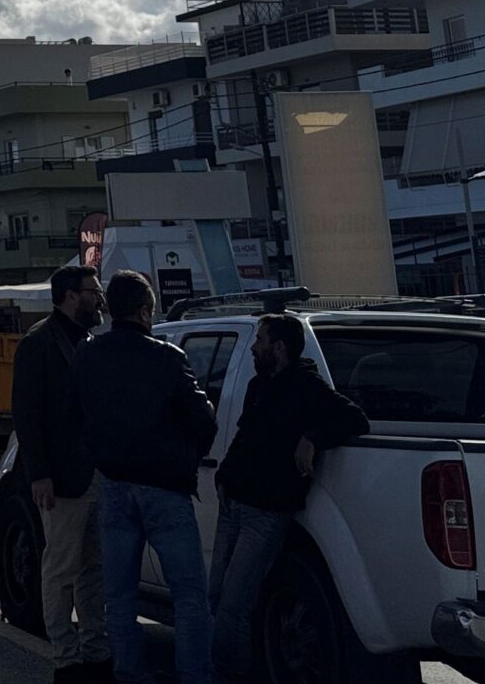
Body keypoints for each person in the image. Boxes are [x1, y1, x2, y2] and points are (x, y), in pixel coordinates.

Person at [209, 315, 370, 684]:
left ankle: (228, 674)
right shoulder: (257, 387)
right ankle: (235, 668)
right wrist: (224, 474)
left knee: (237, 601)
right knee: (217, 594)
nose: (254, 347)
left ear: (279, 348)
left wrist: (312, 437)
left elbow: (355, 420)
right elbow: (244, 435)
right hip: (233, 502)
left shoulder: (306, 387)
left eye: (260, 340)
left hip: (266, 512)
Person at [77, 268, 218, 684]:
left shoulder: (88, 355)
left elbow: (77, 411)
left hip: (114, 485)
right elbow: (203, 421)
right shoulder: (167, 357)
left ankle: (129, 673)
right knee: (190, 597)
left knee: (119, 597)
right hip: (165, 488)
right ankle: (194, 676)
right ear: (143, 311)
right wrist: (189, 454)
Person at [13, 265, 111, 684]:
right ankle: (66, 659)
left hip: (94, 475)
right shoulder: (38, 343)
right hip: (60, 479)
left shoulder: (87, 340)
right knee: (60, 569)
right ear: (71, 295)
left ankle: (95, 652)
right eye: (93, 290)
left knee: (94, 569)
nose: (99, 298)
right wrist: (39, 475)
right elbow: (27, 415)